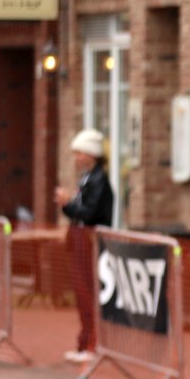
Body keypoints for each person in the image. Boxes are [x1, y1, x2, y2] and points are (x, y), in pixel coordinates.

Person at [53, 128, 114, 363]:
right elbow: (80, 211)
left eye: (79, 153)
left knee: (89, 292)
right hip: (81, 241)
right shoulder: (88, 178)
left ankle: (92, 344)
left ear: (91, 154)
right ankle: (85, 342)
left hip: (90, 244)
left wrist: (69, 203)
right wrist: (67, 205)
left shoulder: (99, 181)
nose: (76, 158)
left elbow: (89, 214)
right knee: (82, 293)